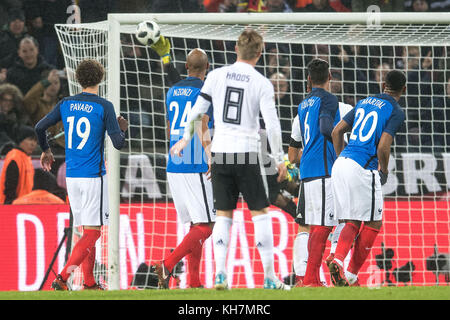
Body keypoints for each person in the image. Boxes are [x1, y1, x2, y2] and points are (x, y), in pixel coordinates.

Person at [170, 29, 290, 290]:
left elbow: (197, 112)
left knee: (223, 216)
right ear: (259, 53)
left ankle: (221, 274)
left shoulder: (215, 76)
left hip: (221, 154)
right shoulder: (262, 83)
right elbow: (272, 125)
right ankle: (269, 278)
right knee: (260, 214)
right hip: (247, 154)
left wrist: (183, 140)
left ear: (236, 49)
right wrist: (280, 159)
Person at [35, 59, 128, 290]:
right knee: (93, 233)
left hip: (72, 176)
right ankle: (63, 277)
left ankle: (89, 282)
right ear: (101, 78)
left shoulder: (66, 103)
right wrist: (124, 128)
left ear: (78, 79)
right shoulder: (104, 106)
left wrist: (46, 150)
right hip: (94, 176)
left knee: (87, 230)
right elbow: (118, 144)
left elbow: (39, 127)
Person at [329, 70, 406, 286]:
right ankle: (348, 270)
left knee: (351, 219)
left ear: (383, 84)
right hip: (363, 166)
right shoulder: (396, 111)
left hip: (341, 163)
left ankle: (339, 261)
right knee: (373, 221)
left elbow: (336, 132)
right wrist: (384, 169)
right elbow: (383, 145)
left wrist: (341, 158)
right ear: (404, 89)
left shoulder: (363, 102)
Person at [151, 44, 216, 289]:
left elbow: (170, 129)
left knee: (194, 225)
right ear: (207, 68)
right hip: (195, 161)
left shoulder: (172, 91)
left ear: (187, 67)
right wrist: (210, 156)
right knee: (207, 226)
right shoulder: (206, 90)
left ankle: (195, 282)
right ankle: (168, 264)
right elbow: (203, 123)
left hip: (174, 161)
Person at [288, 58, 343, 287]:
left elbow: (294, 148)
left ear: (309, 79)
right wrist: (342, 155)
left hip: (306, 170)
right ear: (330, 77)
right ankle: (311, 278)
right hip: (324, 168)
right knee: (324, 225)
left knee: (316, 225)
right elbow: (325, 128)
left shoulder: (303, 105)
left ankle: (308, 277)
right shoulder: (330, 100)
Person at [24, 69, 65, 154]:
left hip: (62, 148)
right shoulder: (37, 103)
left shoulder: (63, 103)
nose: (53, 86)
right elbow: (27, 100)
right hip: (41, 147)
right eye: (50, 83)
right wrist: (46, 81)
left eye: (56, 83)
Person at [0, 125, 37, 204]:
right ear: (20, 140)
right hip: (11, 205)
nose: (33, 144)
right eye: (30, 140)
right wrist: (11, 206)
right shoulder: (14, 157)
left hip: (23, 205)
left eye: (35, 141)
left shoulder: (26, 158)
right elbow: (9, 188)